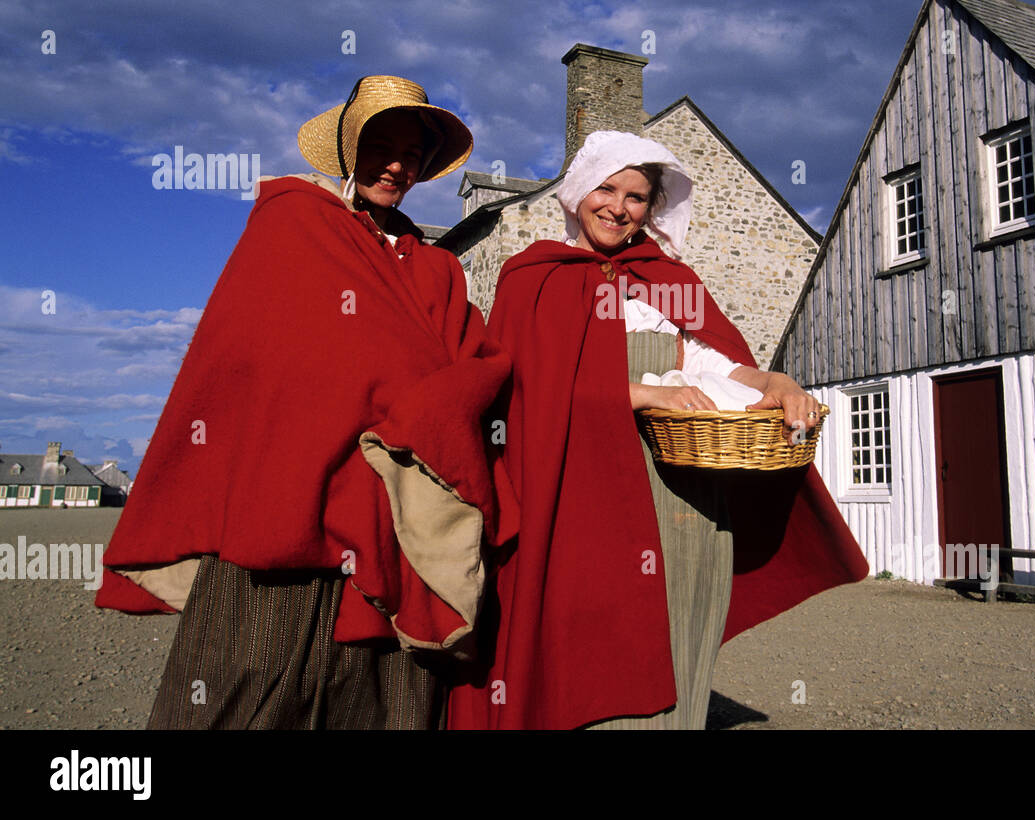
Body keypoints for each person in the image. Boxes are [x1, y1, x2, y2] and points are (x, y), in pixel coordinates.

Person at [96, 75, 511, 729]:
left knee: (385, 704)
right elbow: (252, 363)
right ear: (350, 149)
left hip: (391, 515)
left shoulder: (436, 269)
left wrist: (421, 405)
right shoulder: (294, 223)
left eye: (413, 153)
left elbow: (468, 369)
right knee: (243, 689)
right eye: (382, 144)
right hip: (285, 512)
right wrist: (378, 383)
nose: (398, 164)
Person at [449, 130, 869, 730]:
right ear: (578, 189)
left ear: (654, 207)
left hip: (680, 494)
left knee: (678, 619)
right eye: (607, 188)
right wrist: (641, 393)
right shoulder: (532, 274)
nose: (619, 207)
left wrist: (772, 381)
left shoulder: (667, 278)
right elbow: (519, 394)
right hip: (580, 487)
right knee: (591, 631)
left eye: (637, 197)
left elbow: (710, 362)